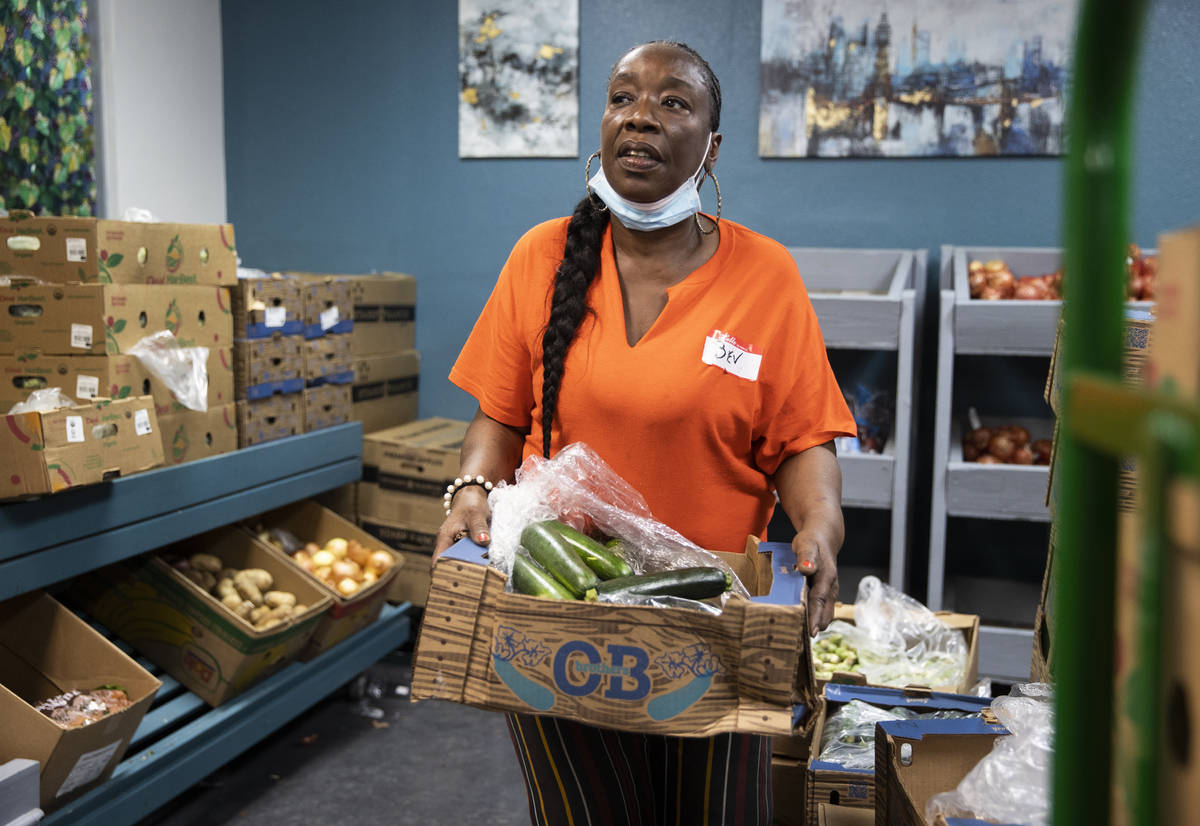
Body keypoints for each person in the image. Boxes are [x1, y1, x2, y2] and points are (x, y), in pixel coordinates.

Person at [434, 40, 856, 826]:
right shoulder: (541, 257)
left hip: (714, 623)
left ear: (712, 145)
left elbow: (804, 442)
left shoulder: (766, 276)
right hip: (559, 613)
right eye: (623, 97)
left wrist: (820, 528)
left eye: (673, 102)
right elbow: (498, 415)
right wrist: (469, 490)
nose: (640, 117)